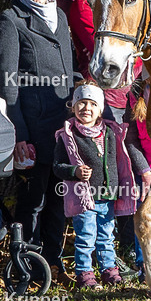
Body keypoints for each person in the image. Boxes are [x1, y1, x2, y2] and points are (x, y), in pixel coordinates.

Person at [0, 0, 75, 280]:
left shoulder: (61, 17)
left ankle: (53, 263)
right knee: (34, 199)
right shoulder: (10, 21)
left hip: (65, 126)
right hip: (33, 124)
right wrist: (19, 133)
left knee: (59, 197)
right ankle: (25, 264)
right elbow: (7, 82)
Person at [54, 83, 141, 289]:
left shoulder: (110, 132)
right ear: (73, 107)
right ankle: (85, 274)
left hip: (107, 196)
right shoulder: (69, 135)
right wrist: (74, 171)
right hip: (84, 197)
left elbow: (119, 162)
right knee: (85, 236)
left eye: (92, 104)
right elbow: (57, 166)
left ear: (100, 109)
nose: (87, 109)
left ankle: (109, 271)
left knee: (106, 236)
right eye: (82, 103)